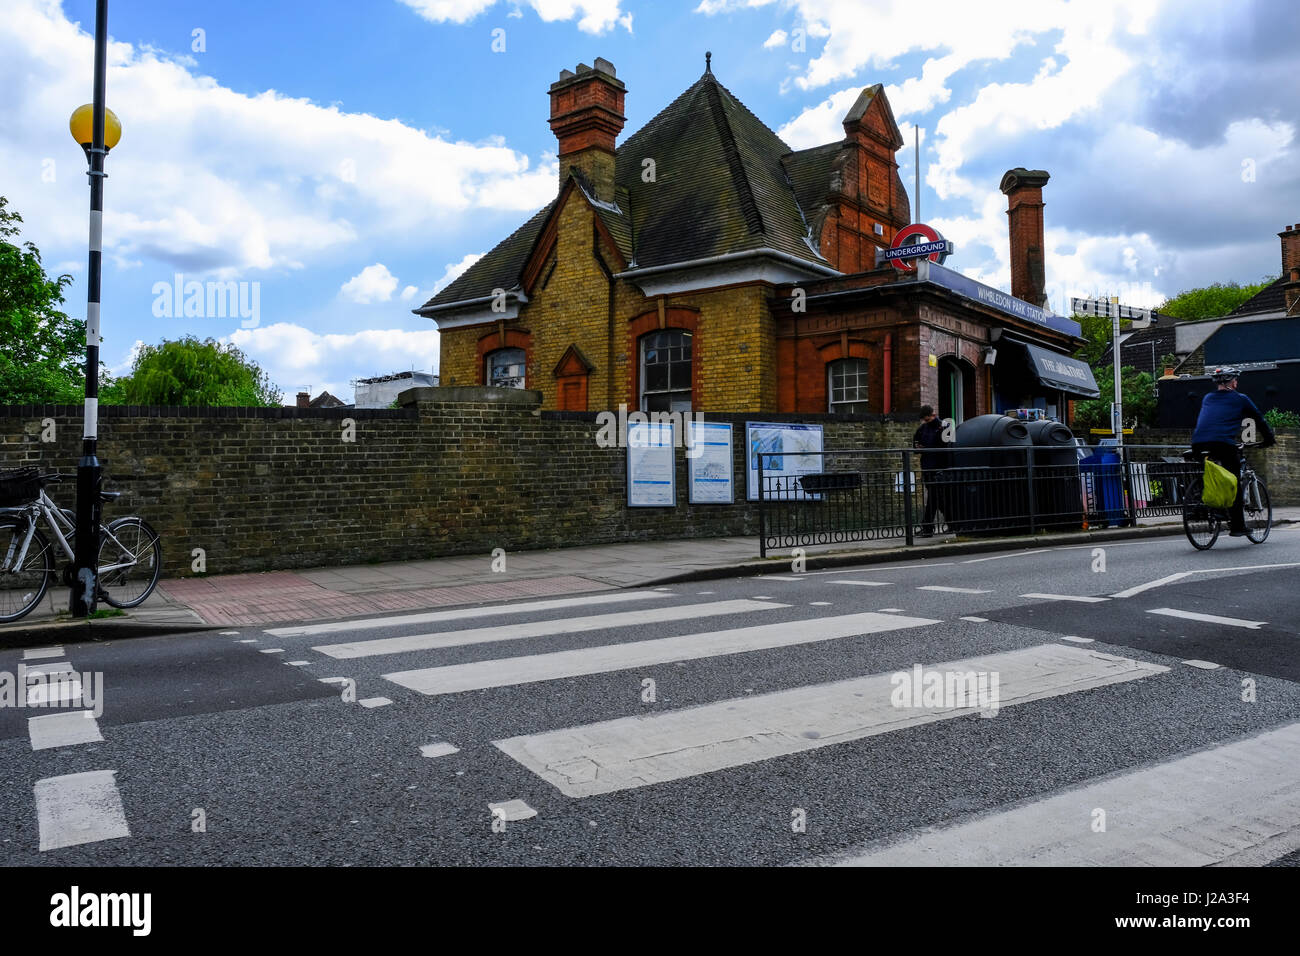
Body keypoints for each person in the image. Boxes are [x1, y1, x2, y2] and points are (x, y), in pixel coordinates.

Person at [1190, 366, 1275, 536]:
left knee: (1210, 474)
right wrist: (1269, 439)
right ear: (1233, 382)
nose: (1237, 382)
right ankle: (1237, 527)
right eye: (1236, 380)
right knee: (1234, 481)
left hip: (1198, 443)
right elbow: (1259, 419)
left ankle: (1201, 506)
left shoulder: (1208, 398)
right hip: (1222, 443)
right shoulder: (1240, 399)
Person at [913, 405, 950, 537]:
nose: (926, 422)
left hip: (939, 468)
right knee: (937, 498)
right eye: (924, 420)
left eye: (927, 420)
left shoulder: (945, 427)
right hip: (928, 467)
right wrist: (917, 446)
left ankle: (927, 528)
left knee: (934, 497)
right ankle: (955, 523)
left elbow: (947, 446)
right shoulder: (922, 428)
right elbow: (916, 443)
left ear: (933, 415)